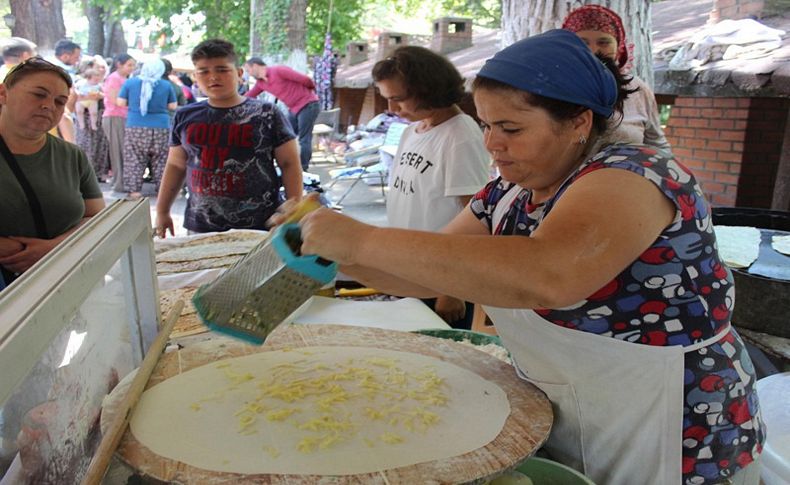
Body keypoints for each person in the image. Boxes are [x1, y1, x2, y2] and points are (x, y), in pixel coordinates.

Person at [279, 30, 765, 485]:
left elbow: (548, 273)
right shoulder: (508, 191)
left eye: (510, 127)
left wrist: (360, 239)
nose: (491, 143)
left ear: (579, 121)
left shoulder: (635, 174)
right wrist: (326, 250)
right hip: (577, 405)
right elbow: (422, 272)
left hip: (678, 424)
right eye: (488, 124)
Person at [371, 46, 491, 328]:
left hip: (442, 280)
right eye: (387, 99)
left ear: (428, 90)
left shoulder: (460, 136)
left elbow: (476, 220)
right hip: (410, 271)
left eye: (398, 99)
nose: (391, 109)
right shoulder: (413, 131)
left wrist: (453, 289)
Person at [155, 39, 302, 237]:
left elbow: (289, 163)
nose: (213, 77)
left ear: (239, 73)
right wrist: (163, 211)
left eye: (222, 69)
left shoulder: (267, 113)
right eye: (203, 71)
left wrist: (293, 212)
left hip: (260, 225)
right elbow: (175, 165)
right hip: (201, 226)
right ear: (195, 76)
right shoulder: (184, 116)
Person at [0, 57, 105, 286]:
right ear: (3, 93)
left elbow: (96, 217)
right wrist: (15, 250)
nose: (48, 105)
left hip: (66, 281)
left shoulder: (71, 155)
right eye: (38, 94)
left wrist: (54, 248)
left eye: (60, 101)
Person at [563, 5, 672, 152]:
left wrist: (667, 171)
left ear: (619, 46)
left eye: (604, 42)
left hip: (632, 174)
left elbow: (657, 144)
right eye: (583, 42)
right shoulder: (551, 87)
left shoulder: (637, 89)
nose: (593, 51)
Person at [244, 57, 320, 171]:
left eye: (248, 70)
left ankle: (303, 169)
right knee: (284, 136)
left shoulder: (278, 71)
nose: (248, 74)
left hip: (308, 104)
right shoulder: (261, 83)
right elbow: (249, 96)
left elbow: (305, 79)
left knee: (304, 138)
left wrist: (310, 93)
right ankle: (282, 165)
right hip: (294, 109)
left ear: (255, 65)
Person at [117, 59, 176, 199]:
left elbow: (120, 102)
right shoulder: (166, 85)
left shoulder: (131, 83)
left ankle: (134, 190)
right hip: (161, 126)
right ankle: (163, 190)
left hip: (135, 125)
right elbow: (173, 106)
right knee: (161, 159)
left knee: (134, 158)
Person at [102, 54, 136, 193]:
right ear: (119, 64)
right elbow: (114, 99)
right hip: (114, 116)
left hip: (122, 117)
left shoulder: (124, 79)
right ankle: (119, 183)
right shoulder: (114, 78)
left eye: (133, 65)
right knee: (118, 150)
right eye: (129, 65)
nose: (132, 68)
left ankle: (121, 181)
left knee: (123, 150)